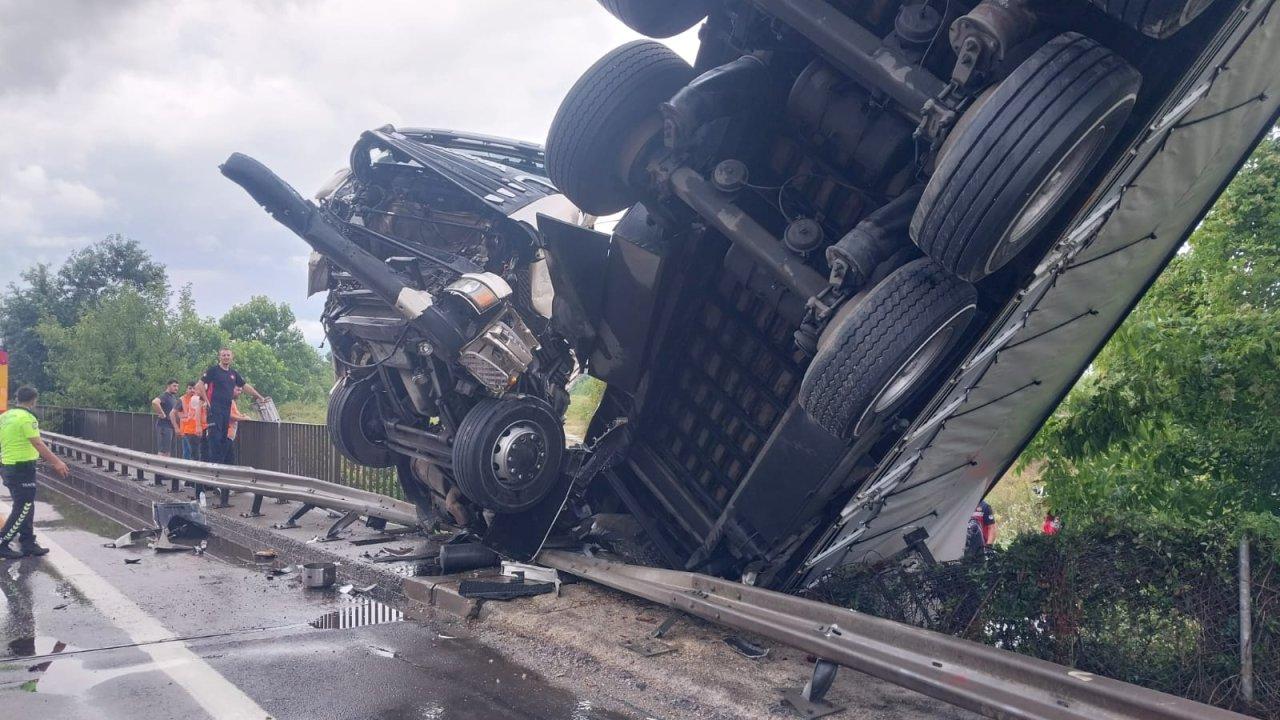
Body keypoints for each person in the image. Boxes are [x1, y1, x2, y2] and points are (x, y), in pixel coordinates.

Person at [0, 387, 70, 559]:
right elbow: (38, 444)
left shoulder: (5, 416)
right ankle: (2, 542)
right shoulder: (27, 418)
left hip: (8, 466)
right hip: (21, 468)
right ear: (33, 400)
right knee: (23, 506)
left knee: (26, 506)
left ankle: (28, 542)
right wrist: (57, 462)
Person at [199, 348, 264, 464]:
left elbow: (244, 386)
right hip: (214, 410)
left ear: (232, 357)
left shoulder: (233, 374)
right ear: (219, 357)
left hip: (226, 411)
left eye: (228, 355)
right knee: (215, 440)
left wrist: (258, 396)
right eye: (223, 355)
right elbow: (200, 385)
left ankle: (219, 470)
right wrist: (206, 401)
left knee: (223, 440)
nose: (226, 357)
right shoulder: (213, 371)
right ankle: (213, 471)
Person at [177, 381, 207, 461]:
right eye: (190, 388)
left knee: (196, 453)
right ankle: (189, 472)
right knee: (193, 455)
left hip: (195, 430)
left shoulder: (195, 398)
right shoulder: (195, 399)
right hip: (192, 430)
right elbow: (176, 414)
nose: (192, 390)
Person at [151, 379, 181, 457]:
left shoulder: (173, 397)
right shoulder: (165, 395)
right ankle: (159, 468)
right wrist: (161, 413)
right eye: (174, 386)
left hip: (171, 427)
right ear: (168, 386)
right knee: (163, 451)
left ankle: (165, 468)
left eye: (177, 386)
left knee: (168, 451)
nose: (176, 388)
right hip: (164, 426)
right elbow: (155, 402)